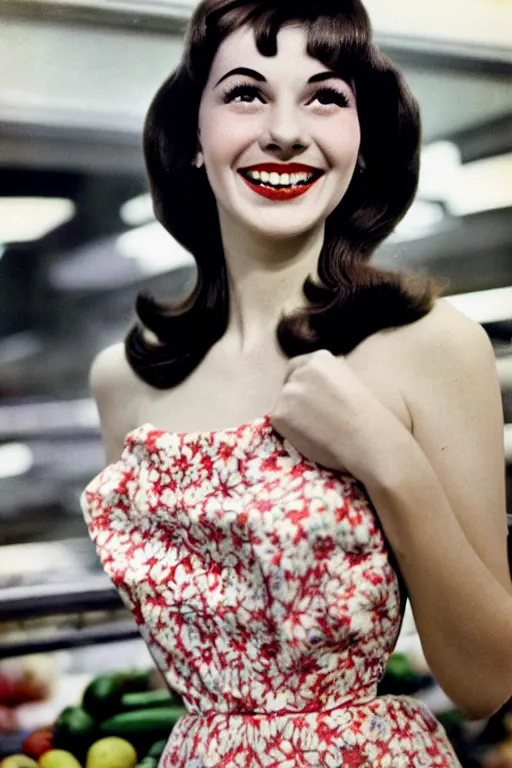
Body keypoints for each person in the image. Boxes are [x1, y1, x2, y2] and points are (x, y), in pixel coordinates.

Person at [81, 0, 512, 765]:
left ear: (364, 141)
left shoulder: (433, 346)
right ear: (191, 138)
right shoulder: (126, 382)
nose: (285, 130)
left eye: (325, 96)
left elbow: (487, 681)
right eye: (246, 93)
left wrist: (387, 458)